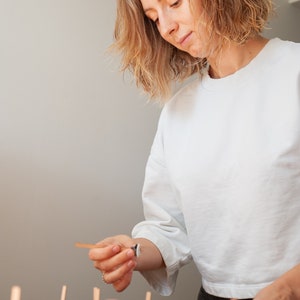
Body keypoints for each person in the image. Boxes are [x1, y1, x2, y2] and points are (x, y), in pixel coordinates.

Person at [88, 0, 300, 299]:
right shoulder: (178, 112)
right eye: (153, 18)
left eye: (173, 3)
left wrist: (288, 287)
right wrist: (131, 251)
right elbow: (169, 226)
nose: (166, 27)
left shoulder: (293, 72)